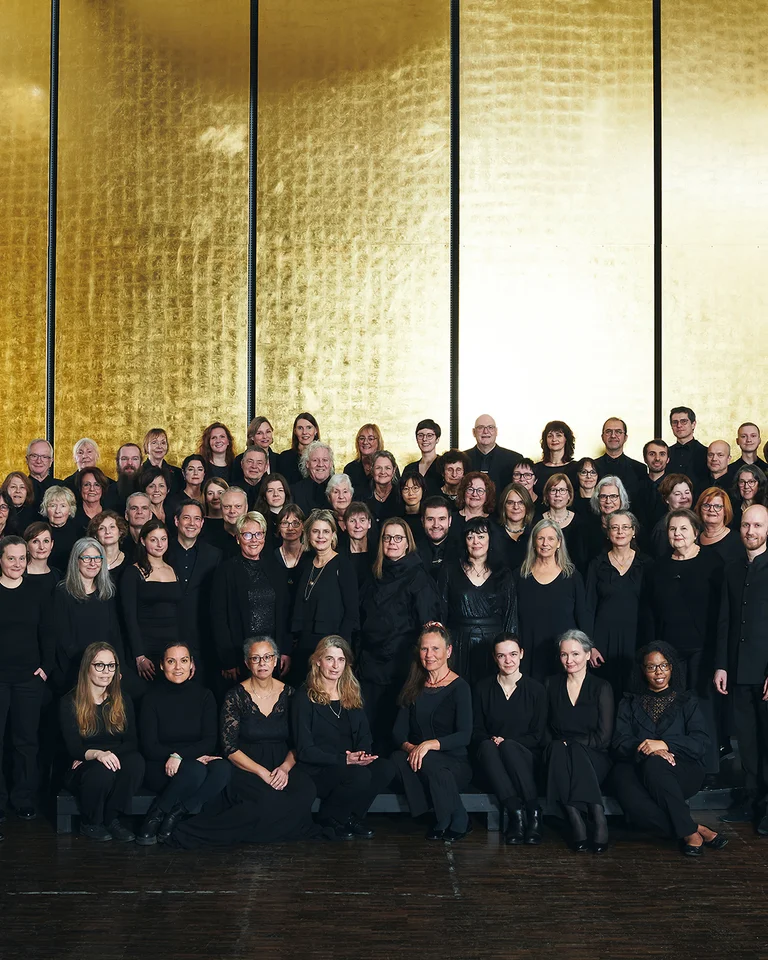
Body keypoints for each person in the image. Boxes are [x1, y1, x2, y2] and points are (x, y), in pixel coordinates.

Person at [168, 636, 318, 847]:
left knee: (306, 791)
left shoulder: (291, 694)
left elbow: (298, 742)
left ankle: (268, 829)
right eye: (255, 658)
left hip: (282, 762)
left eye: (267, 657)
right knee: (266, 801)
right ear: (247, 663)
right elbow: (229, 748)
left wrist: (285, 768)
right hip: (246, 765)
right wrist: (263, 773)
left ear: (275, 661)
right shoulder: (235, 696)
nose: (262, 663)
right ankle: (198, 832)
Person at [612, 643, 726, 857]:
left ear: (672, 667)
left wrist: (665, 745)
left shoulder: (687, 701)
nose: (659, 672)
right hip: (634, 764)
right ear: (643, 670)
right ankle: (692, 829)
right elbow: (619, 741)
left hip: (682, 770)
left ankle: (690, 833)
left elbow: (700, 742)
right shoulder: (629, 702)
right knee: (628, 792)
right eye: (652, 667)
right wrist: (648, 749)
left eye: (664, 665)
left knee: (656, 765)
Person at [293, 636, 395, 840]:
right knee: (359, 775)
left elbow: (364, 734)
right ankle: (329, 818)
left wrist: (363, 755)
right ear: (317, 661)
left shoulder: (351, 693)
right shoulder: (304, 697)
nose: (335, 666)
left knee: (386, 768)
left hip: (350, 764)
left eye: (340, 660)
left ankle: (350, 817)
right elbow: (304, 750)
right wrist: (345, 760)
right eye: (329, 659)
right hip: (320, 768)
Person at [645, 508, 722, 772]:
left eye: (683, 528)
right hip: (669, 650)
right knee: (673, 709)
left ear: (696, 532)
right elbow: (650, 611)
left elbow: (722, 611)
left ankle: (709, 769)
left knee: (703, 708)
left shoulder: (713, 562)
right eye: (672, 529)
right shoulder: (658, 567)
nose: (677, 534)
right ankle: (679, 764)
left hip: (703, 648)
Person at [357, 518, 441, 750]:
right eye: (387, 538)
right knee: (370, 725)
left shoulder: (419, 577)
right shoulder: (374, 574)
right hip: (371, 661)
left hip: (401, 663)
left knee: (396, 728)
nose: (392, 542)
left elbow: (427, 624)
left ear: (407, 543)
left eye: (398, 538)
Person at [136, 643, 231, 845]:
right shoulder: (150, 698)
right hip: (160, 765)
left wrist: (181, 755)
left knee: (223, 768)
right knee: (195, 770)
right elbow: (149, 747)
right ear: (162, 665)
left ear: (191, 664)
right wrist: (178, 757)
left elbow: (210, 741)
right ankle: (155, 815)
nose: (178, 667)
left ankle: (175, 813)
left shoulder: (205, 696)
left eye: (184, 660)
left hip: (191, 760)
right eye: (171, 661)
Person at [392, 624, 473, 841]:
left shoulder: (460, 687)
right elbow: (398, 733)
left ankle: (451, 818)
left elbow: (464, 735)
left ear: (448, 651)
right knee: (397, 758)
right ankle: (442, 813)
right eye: (424, 649)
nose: (429, 655)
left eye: (436, 649)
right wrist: (413, 748)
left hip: (454, 763)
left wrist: (427, 745)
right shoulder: (413, 684)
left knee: (431, 763)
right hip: (421, 759)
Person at [715, 504, 768, 831]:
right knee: (746, 741)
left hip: (765, 671)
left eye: (758, 525)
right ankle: (751, 800)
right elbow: (725, 620)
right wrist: (721, 665)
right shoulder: (732, 569)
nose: (751, 531)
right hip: (737, 668)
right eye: (747, 525)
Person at [59, 642, 144, 841]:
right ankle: (91, 822)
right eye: (99, 665)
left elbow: (132, 742)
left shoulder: (123, 699)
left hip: (114, 757)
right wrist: (97, 755)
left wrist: (108, 755)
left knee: (135, 763)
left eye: (111, 665)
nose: (106, 671)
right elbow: (74, 748)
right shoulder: (69, 702)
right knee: (101, 772)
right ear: (87, 667)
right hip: (85, 764)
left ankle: (111, 819)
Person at [472, 633, 546, 844]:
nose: (508, 660)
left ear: (521, 654)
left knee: (509, 747)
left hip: (525, 758)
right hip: (492, 759)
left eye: (513, 654)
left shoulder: (536, 690)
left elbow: (538, 735)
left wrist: (506, 742)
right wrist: (495, 740)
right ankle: (516, 814)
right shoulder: (482, 688)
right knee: (487, 746)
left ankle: (533, 812)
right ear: (494, 658)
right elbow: (476, 730)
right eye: (501, 656)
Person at [0, 535, 54, 821]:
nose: (17, 564)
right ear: (0, 559)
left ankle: (22, 798)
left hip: (28, 679)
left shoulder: (37, 591)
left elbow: (48, 632)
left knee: (26, 741)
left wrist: (45, 667)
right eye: (11, 558)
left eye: (22, 558)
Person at [544, 630, 613, 853]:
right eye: (564, 655)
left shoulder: (601, 687)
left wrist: (573, 744)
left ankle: (597, 814)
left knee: (573, 750)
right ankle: (575, 819)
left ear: (587, 654)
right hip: (560, 754)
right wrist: (561, 745)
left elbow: (604, 737)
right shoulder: (551, 684)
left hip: (594, 757)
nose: (569, 660)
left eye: (575, 654)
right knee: (556, 749)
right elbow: (545, 727)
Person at [211, 512, 291, 684]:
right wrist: (228, 659)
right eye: (247, 535)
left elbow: (284, 613)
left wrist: (285, 650)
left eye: (258, 534)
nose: (254, 540)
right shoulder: (225, 571)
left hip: (272, 654)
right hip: (240, 655)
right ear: (238, 538)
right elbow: (219, 618)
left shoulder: (276, 569)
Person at [437, 518, 517, 685]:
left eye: (481, 536)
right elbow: (441, 611)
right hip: (458, 643)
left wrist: (509, 649)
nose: (475, 542)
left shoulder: (503, 573)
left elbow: (510, 615)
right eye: (470, 537)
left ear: (490, 539)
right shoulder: (449, 570)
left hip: (493, 644)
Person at [586, 510, 651, 701]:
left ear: (633, 531)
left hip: (637, 640)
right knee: (605, 695)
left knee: (636, 691)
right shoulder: (596, 565)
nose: (620, 532)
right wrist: (590, 646)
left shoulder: (647, 564)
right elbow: (588, 607)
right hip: (603, 642)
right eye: (614, 527)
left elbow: (652, 609)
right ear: (608, 533)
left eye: (625, 527)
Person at [514, 519, 591, 682]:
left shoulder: (572, 576)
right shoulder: (519, 576)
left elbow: (582, 614)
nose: (545, 543)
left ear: (559, 543)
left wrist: (588, 646)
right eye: (540, 538)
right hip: (528, 651)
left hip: (562, 654)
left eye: (550, 538)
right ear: (533, 542)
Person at [291, 510, 358, 682]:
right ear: (308, 534)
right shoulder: (305, 564)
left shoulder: (343, 565)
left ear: (333, 535)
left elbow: (351, 612)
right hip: (305, 642)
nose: (321, 536)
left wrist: (340, 648)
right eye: (316, 531)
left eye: (326, 531)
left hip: (331, 645)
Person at [52, 536, 126, 693]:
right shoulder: (62, 593)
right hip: (76, 668)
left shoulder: (106, 592)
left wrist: (115, 666)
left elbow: (114, 633)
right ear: (76, 560)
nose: (93, 563)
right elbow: (63, 639)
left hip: (106, 666)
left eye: (97, 558)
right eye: (87, 558)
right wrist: (90, 667)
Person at [120, 519, 183, 681]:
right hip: (146, 646)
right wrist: (139, 655)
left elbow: (180, 613)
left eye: (163, 539)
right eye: (153, 539)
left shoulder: (173, 569)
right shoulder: (132, 572)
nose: (159, 544)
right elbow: (129, 617)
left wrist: (184, 652)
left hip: (172, 646)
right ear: (143, 541)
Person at [167, 500, 222, 675]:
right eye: (186, 518)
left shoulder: (214, 555)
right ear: (176, 521)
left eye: (197, 518)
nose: (192, 523)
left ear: (202, 522)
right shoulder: (162, 551)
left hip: (203, 639)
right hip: (167, 635)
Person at [594, 418, 655, 525]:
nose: (613, 435)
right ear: (602, 437)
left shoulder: (639, 469)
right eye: (608, 432)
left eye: (618, 432)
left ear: (625, 437)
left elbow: (642, 506)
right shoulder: (592, 468)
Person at [462, 415, 522, 493]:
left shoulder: (514, 459)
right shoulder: (462, 459)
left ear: (496, 431)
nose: (486, 431)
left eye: (490, 427)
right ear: (473, 432)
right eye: (480, 427)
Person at [541, 473, 587, 572]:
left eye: (562, 490)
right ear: (547, 495)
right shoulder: (537, 522)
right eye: (553, 490)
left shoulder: (581, 523)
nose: (557, 494)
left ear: (569, 495)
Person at [649, 473, 694, 558]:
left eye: (687, 492)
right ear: (666, 499)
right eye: (677, 494)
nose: (684, 497)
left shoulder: (695, 520)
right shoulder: (662, 528)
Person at [667, 407, 708, 494]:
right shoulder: (665, 454)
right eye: (675, 422)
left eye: (683, 421)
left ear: (693, 424)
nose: (679, 425)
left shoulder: (707, 453)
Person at [696, 488, 743, 565]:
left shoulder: (737, 541)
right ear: (700, 509)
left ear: (725, 511)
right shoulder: (694, 538)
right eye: (706, 505)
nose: (711, 510)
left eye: (717, 506)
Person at [494, 483, 534, 571]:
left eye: (521, 503)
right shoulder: (492, 531)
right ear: (503, 506)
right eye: (510, 502)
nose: (516, 507)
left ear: (527, 506)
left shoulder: (535, 533)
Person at [39, 484, 80, 571]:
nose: (57, 511)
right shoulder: (38, 531)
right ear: (46, 509)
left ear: (70, 509)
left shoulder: (79, 531)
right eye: (53, 505)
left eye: (63, 506)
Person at [419, 496, 459, 578]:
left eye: (441, 519)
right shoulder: (413, 550)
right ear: (423, 521)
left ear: (450, 521)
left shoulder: (461, 549)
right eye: (430, 519)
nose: (436, 525)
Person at [231, 416, 279, 486]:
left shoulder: (280, 459)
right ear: (251, 437)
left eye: (268, 432)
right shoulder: (239, 459)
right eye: (259, 433)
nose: (265, 436)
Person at [533, 420, 577, 495]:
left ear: (566, 439)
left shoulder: (575, 468)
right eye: (550, 436)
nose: (554, 439)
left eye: (558, 435)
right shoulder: (536, 468)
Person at [87, 510, 130, 585]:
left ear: (120, 532)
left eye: (112, 527)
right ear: (95, 535)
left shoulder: (131, 561)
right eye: (102, 528)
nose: (107, 532)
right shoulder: (89, 563)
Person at [292, 441, 335, 516]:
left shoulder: (340, 489)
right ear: (307, 464)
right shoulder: (294, 491)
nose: (320, 464)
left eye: (325, 460)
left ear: (331, 463)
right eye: (315, 460)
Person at [402, 419, 443, 496]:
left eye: (429, 435)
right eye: (420, 435)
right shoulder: (409, 469)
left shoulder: (444, 465)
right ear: (416, 439)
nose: (424, 439)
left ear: (437, 439)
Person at [342, 501, 377, 589]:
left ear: (369, 523)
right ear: (345, 525)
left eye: (362, 520)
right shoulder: (338, 555)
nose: (358, 526)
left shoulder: (378, 552)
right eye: (352, 521)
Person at [278, 412, 320, 485]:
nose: (304, 432)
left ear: (316, 430)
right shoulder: (285, 457)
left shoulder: (324, 457)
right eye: (300, 428)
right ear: (295, 431)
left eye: (309, 427)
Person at [23, 521, 62, 595]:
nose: (42, 547)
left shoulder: (58, 576)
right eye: (35, 541)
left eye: (46, 541)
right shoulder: (19, 575)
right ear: (26, 546)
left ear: (51, 544)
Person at [103, 442, 143, 513]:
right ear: (117, 462)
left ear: (141, 463)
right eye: (124, 459)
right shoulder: (107, 493)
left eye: (135, 459)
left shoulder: (149, 491)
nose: (130, 463)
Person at [343, 423, 383, 495]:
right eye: (362, 438)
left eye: (370, 439)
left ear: (378, 442)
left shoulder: (388, 467)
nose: (365, 442)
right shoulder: (350, 469)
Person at [364, 450, 403, 522]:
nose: (382, 472)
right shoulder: (362, 496)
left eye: (387, 468)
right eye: (378, 468)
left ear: (394, 470)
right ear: (372, 470)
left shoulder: (401, 495)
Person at [141, 428, 184, 494]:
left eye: (163, 443)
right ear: (146, 446)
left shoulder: (177, 473)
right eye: (154, 443)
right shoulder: (139, 472)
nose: (159, 446)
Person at [25, 439, 61, 508]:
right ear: (27, 459)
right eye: (34, 456)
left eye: (44, 457)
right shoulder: (18, 489)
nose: (39, 461)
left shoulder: (62, 487)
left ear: (51, 461)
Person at [123, 492, 153, 563]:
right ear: (126, 515)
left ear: (150, 515)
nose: (139, 512)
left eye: (144, 508)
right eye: (134, 508)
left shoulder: (159, 543)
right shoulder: (119, 543)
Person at [400, 472, 426, 540]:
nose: (411, 493)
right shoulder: (396, 516)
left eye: (415, 488)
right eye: (406, 489)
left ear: (423, 490)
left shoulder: (428, 515)